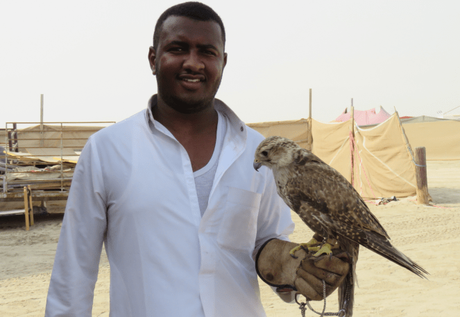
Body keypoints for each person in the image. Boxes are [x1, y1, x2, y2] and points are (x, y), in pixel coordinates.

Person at [45, 2, 349, 316]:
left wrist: (293, 270)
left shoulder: (257, 153)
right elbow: (74, 272)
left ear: (223, 61)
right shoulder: (107, 150)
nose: (193, 63)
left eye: (207, 52)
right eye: (178, 49)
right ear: (153, 59)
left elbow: (268, 243)